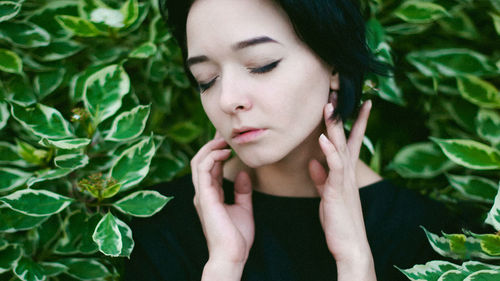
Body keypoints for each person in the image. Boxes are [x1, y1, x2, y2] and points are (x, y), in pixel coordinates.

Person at [123, 0, 474, 280]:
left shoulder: (430, 239)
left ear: (334, 63)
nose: (228, 99)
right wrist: (224, 267)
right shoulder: (164, 226)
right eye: (206, 78)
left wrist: (355, 264)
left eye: (261, 64)